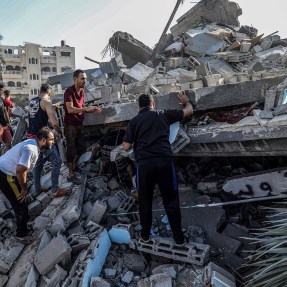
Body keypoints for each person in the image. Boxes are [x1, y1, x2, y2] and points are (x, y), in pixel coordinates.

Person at [123, 91, 193, 245]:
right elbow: (189, 111)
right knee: (171, 200)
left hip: (144, 165)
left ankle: (145, 236)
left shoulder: (134, 122)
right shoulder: (163, 114)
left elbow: (126, 145)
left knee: (145, 201)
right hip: (164, 162)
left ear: (138, 106)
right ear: (153, 104)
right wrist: (186, 101)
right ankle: (179, 239)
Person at [0, 127, 54, 243]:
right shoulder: (32, 149)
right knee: (20, 203)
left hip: (6, 170)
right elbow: (20, 170)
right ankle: (21, 235)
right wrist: (24, 189)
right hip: (6, 174)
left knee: (22, 201)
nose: (53, 142)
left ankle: (24, 224)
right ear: (44, 140)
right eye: (51, 139)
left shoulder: (32, 143)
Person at [27, 83, 70, 197]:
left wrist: (51, 106)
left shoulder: (33, 101)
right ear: (49, 93)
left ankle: (37, 189)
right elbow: (54, 122)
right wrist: (59, 133)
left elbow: (39, 112)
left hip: (31, 136)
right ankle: (55, 190)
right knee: (57, 161)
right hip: (42, 138)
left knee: (38, 164)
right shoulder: (47, 102)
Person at [64, 69, 101, 180]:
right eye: (82, 78)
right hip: (70, 124)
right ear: (75, 79)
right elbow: (70, 109)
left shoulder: (82, 91)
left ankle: (74, 166)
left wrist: (91, 109)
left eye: (85, 78)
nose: (85, 81)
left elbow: (82, 106)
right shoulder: (69, 92)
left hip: (79, 123)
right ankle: (70, 173)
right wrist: (86, 108)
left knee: (81, 148)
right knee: (71, 149)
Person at [0, 84, 12, 152]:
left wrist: (9, 123)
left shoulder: (2, 99)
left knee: (9, 143)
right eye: (0, 90)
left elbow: (5, 111)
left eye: (2, 90)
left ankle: (7, 159)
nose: (2, 91)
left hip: (5, 125)